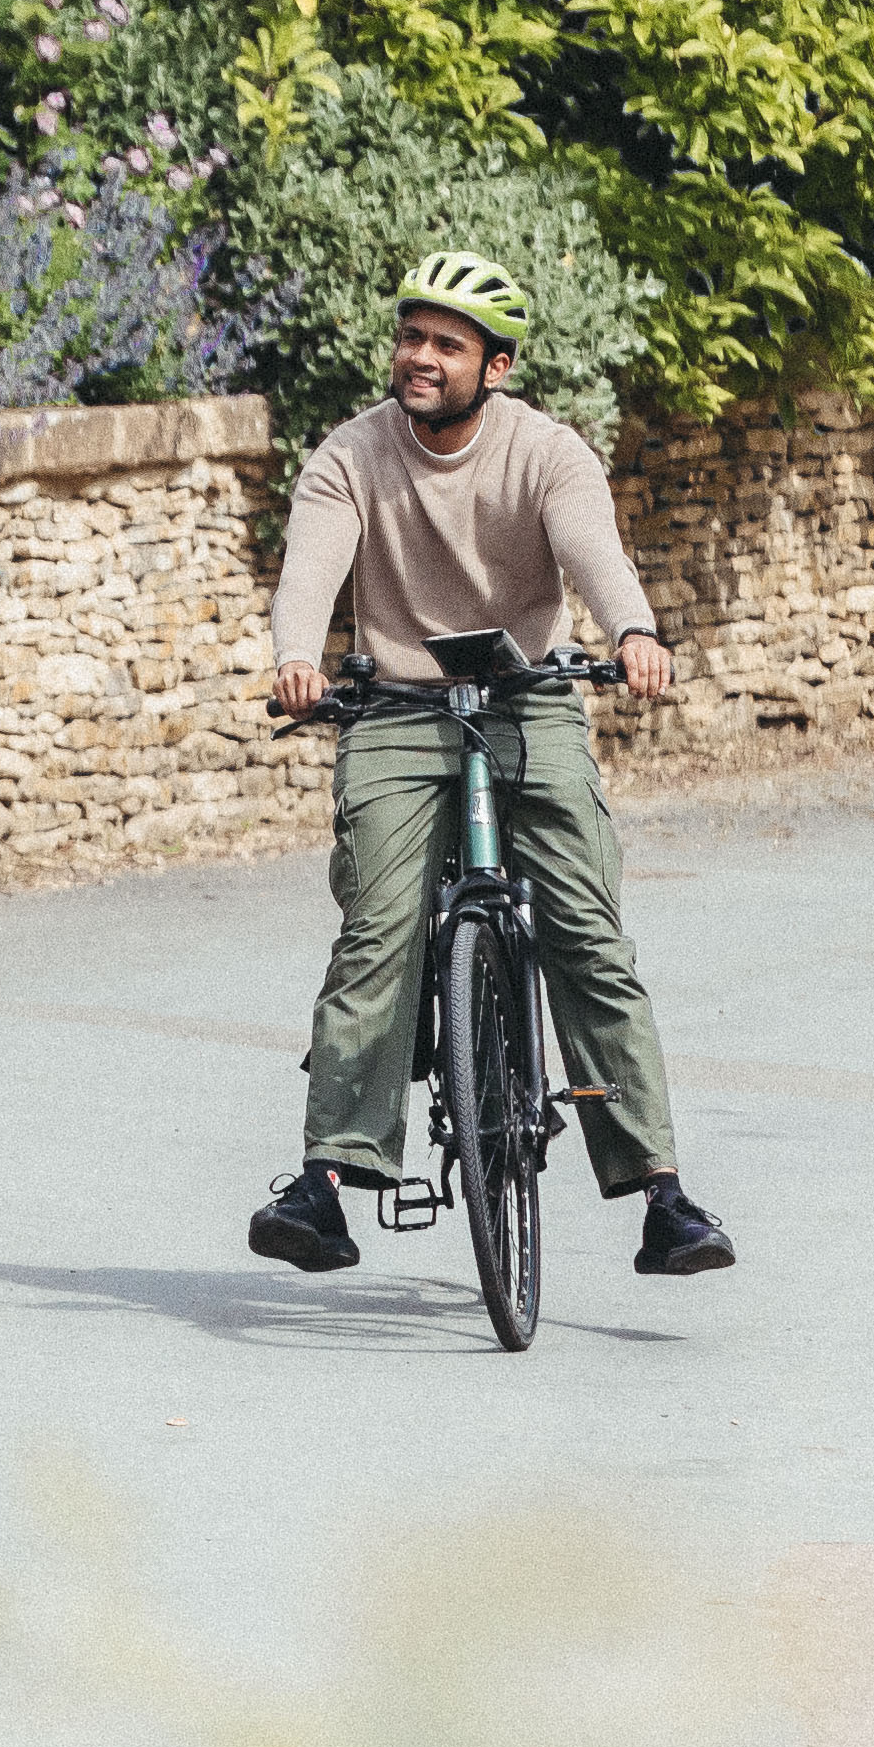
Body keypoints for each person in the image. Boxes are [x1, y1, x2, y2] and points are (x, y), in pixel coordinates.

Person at [249, 253, 738, 1282]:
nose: (419, 358)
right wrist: (297, 658)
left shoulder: (547, 454)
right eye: (411, 336)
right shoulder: (350, 455)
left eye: (447, 344)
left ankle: (663, 1193)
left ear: (497, 367)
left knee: (586, 935)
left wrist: (635, 628)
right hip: (393, 705)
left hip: (527, 700)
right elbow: (311, 570)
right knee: (377, 932)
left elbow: (593, 553)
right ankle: (327, 1182)